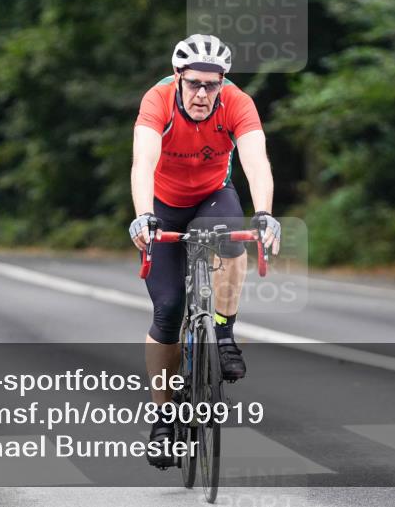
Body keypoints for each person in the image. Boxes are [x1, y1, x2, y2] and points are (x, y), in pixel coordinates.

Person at [129, 34, 281, 467]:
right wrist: (143, 215)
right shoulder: (157, 100)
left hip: (213, 195)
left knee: (233, 238)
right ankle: (163, 420)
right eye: (194, 83)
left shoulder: (237, 102)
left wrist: (265, 212)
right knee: (168, 311)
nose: (202, 94)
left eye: (211, 85)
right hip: (163, 205)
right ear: (178, 77)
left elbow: (256, 161)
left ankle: (225, 332)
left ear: (223, 83)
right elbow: (142, 163)